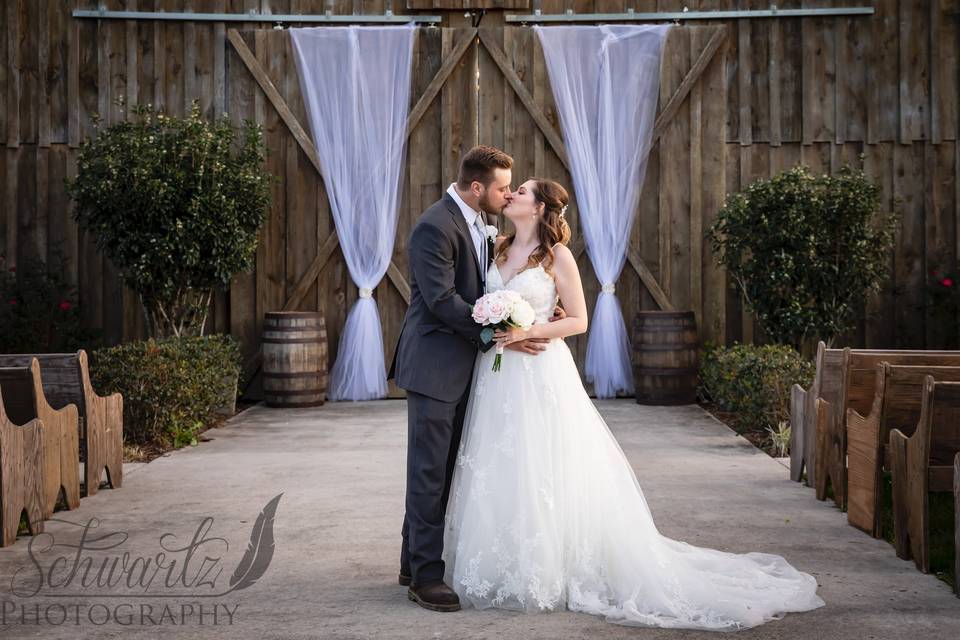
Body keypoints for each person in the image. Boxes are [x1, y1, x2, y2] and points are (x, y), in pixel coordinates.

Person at [439, 177, 826, 631]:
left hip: (540, 371)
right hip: (497, 375)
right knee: (498, 465)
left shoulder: (557, 257)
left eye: (522, 192)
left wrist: (529, 331)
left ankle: (548, 568)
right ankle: (500, 564)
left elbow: (578, 320)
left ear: (541, 209)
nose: (512, 196)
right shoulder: (495, 247)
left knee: (542, 465)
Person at [388, 146, 564, 612]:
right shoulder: (434, 226)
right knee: (428, 472)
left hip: (471, 367)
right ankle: (425, 578)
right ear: (477, 187)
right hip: (434, 364)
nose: (508, 196)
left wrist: (538, 312)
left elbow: (493, 288)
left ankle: (412, 560)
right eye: (504, 187)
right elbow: (443, 300)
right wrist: (503, 332)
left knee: (446, 468)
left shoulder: (485, 228)